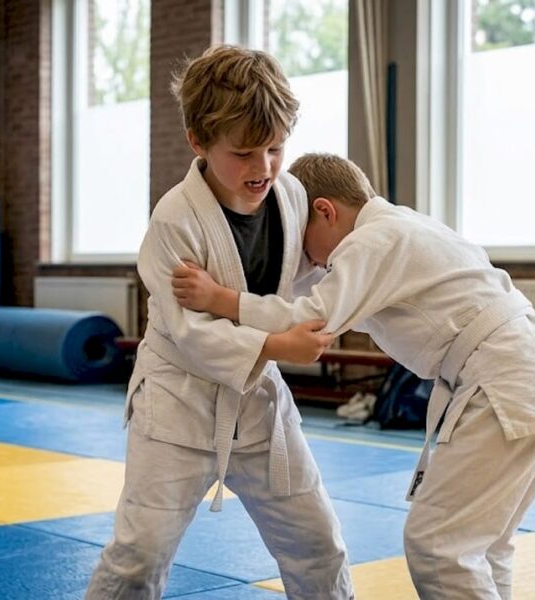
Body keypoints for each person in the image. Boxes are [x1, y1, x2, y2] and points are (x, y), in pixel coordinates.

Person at [172, 153, 535, 600]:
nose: (309, 262)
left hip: (509, 377)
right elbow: (308, 294)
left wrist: (220, 298)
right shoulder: (405, 227)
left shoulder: (373, 241)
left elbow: (311, 316)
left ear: (324, 210)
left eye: (302, 242)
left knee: (438, 547)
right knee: (483, 545)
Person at [85, 49, 354, 600]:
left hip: (258, 407)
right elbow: (194, 335)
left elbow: (298, 283)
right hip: (178, 407)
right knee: (139, 556)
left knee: (319, 544)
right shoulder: (174, 221)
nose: (263, 168)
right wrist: (280, 342)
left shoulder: (293, 195)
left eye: (276, 148)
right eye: (244, 152)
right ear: (198, 141)